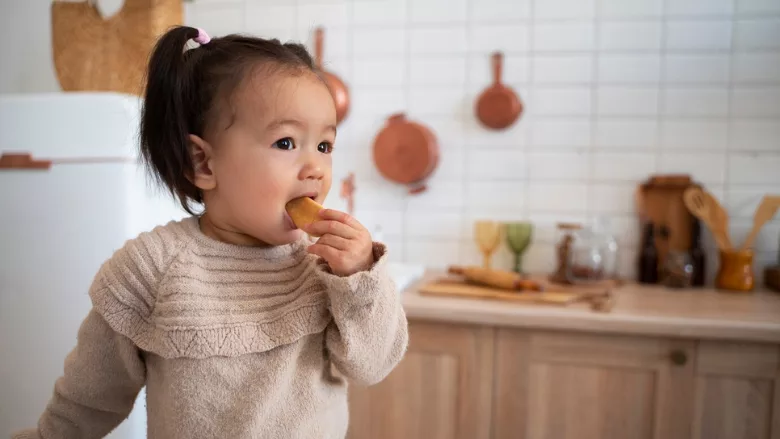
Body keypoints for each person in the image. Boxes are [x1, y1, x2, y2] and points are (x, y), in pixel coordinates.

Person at [13, 26, 408, 439]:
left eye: (324, 146)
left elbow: (373, 366)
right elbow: (89, 399)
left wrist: (360, 278)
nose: (315, 168)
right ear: (203, 163)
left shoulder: (326, 268)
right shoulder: (150, 269)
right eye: (286, 143)